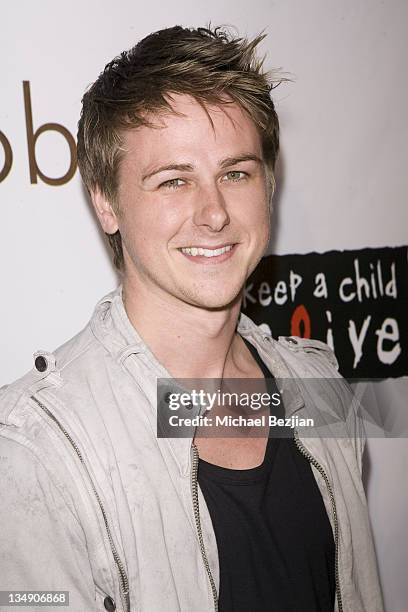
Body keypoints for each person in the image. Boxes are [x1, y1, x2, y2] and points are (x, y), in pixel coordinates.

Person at [0, 25, 383, 612]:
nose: (214, 213)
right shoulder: (36, 451)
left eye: (236, 173)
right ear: (105, 201)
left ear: (269, 184)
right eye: (174, 180)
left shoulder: (321, 392)